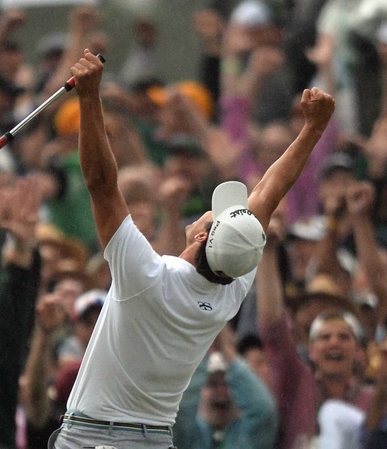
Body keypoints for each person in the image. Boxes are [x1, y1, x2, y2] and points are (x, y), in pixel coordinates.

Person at [49, 50, 334, 449]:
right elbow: (267, 196)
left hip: (93, 436)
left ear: (201, 237)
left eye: (210, 217)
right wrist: (312, 131)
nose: (206, 212)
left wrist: (89, 97)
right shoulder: (231, 286)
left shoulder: (147, 276)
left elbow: (100, 181)